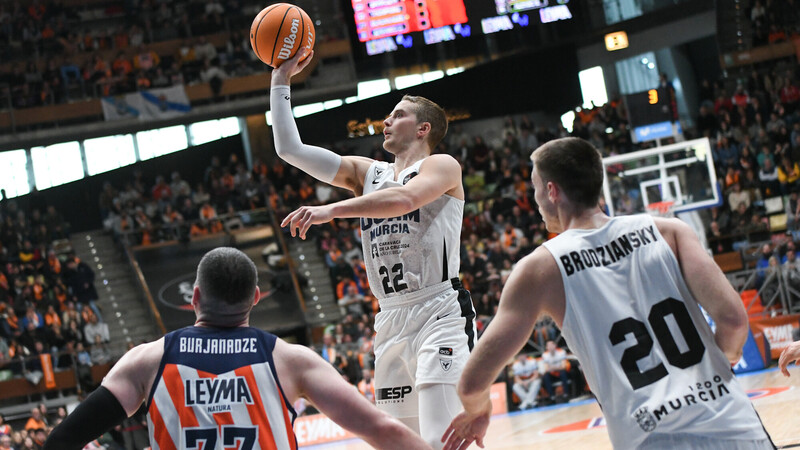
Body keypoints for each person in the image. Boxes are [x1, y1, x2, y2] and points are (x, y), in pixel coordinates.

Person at [442, 137, 774, 450]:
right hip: (733, 425)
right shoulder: (671, 232)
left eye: (535, 188)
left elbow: (472, 383)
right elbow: (732, 320)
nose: (535, 199)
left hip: (650, 438)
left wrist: (479, 410)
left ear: (552, 191)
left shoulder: (539, 270)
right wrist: (723, 362)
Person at [273, 50, 474, 447]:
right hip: (391, 319)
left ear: (423, 129)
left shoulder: (442, 166)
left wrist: (330, 209)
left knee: (440, 438)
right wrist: (280, 79)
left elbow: (403, 201)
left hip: (439, 311)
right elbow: (289, 149)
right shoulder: (368, 173)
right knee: (400, 442)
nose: (386, 120)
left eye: (398, 114)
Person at [44, 247, 431, 449]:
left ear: (193, 297)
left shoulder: (148, 360)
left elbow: (62, 441)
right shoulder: (290, 360)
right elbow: (381, 430)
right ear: (256, 298)